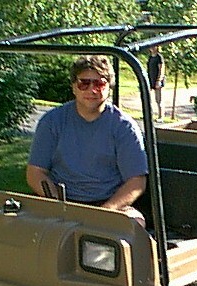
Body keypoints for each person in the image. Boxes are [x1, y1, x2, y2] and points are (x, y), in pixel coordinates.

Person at [27, 55, 148, 226]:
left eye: (99, 84)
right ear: (74, 87)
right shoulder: (52, 121)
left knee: (135, 224)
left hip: (108, 204)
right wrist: (59, 205)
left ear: (109, 87)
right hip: (59, 201)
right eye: (84, 83)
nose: (92, 90)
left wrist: (103, 212)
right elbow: (35, 172)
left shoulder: (124, 126)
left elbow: (136, 181)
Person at [147, 46, 165, 122]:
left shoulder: (159, 57)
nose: (151, 48)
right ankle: (149, 115)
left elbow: (161, 69)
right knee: (149, 98)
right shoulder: (150, 57)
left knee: (158, 100)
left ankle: (161, 117)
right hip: (151, 80)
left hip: (157, 80)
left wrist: (159, 80)